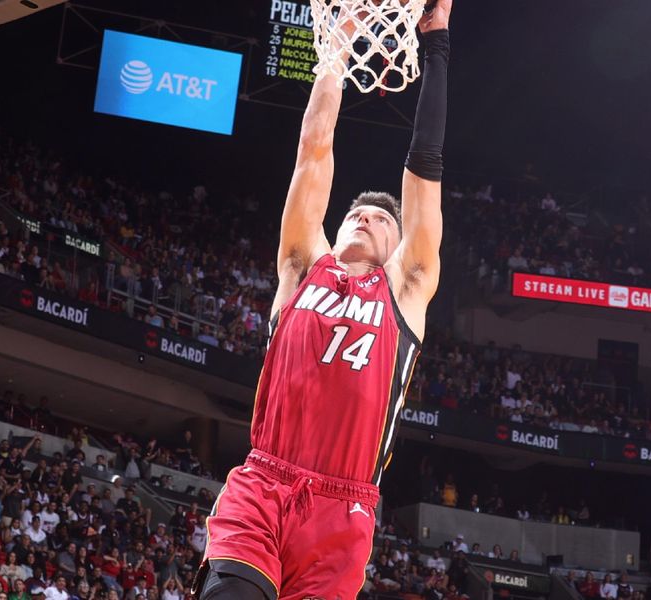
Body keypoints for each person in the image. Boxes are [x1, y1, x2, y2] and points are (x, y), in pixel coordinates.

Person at [197, 1, 453, 598]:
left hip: (343, 512)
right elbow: (313, 150)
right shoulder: (301, 267)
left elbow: (426, 168)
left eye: (381, 221)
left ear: (397, 248)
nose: (366, 217)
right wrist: (334, 53)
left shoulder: (405, 289)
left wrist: (436, 47)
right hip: (263, 483)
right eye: (356, 213)